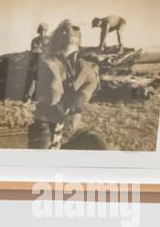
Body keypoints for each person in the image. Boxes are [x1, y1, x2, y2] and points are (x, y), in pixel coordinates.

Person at [28, 19, 105, 150]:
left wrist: (82, 94)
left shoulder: (82, 64)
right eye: (65, 29)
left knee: (95, 144)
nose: (71, 29)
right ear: (57, 41)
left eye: (75, 29)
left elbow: (91, 80)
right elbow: (54, 82)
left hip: (72, 127)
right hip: (46, 124)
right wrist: (57, 103)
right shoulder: (48, 62)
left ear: (79, 43)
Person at [23, 23, 49, 102]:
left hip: (46, 61)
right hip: (36, 61)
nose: (42, 32)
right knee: (33, 79)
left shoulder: (49, 40)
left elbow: (51, 50)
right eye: (41, 30)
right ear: (39, 31)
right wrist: (43, 50)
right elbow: (35, 50)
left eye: (44, 30)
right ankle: (27, 96)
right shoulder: (35, 40)